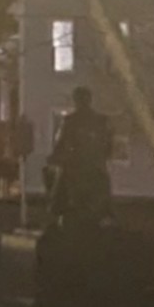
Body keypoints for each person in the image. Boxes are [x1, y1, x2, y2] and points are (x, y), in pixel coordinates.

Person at [45, 85, 114, 232]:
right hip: (96, 166)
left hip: (75, 166)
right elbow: (109, 146)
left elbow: (62, 142)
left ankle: (58, 211)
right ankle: (105, 216)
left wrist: (54, 157)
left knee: (59, 189)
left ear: (77, 101)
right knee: (103, 189)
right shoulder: (102, 121)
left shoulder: (70, 121)